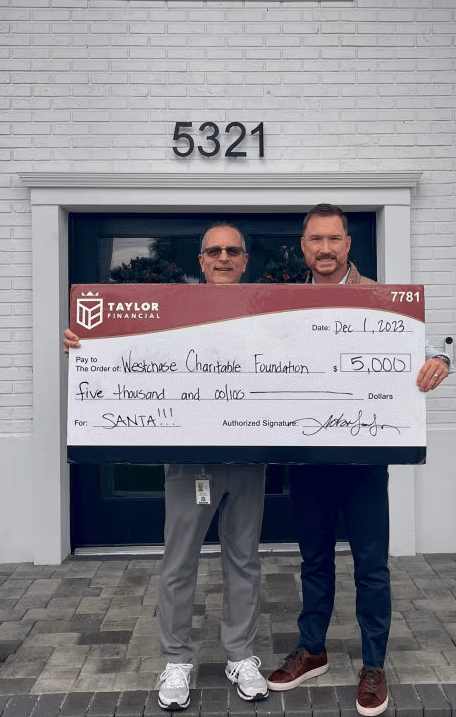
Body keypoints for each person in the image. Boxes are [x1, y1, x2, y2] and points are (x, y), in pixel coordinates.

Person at [63, 224, 269, 711]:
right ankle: (177, 659)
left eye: (232, 251)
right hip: (188, 460)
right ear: (201, 261)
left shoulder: (267, 311)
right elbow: (133, 353)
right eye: (214, 251)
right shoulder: (172, 310)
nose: (223, 257)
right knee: (179, 561)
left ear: (244, 261)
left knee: (245, 559)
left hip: (247, 457)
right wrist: (87, 344)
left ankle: (240, 654)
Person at [266, 204, 450, 717]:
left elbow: (429, 348)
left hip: (365, 457)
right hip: (306, 456)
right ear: (303, 247)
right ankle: (313, 650)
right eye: (315, 240)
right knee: (313, 561)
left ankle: (373, 665)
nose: (325, 249)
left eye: (334, 239)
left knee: (371, 567)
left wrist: (441, 360)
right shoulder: (281, 304)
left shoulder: (382, 300)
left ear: (348, 244)